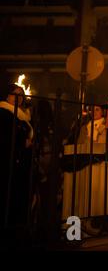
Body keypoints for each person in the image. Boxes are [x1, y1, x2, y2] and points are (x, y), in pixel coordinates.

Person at [0, 84, 33, 244]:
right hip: (9, 161)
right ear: (8, 96)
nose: (19, 97)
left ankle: (17, 231)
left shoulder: (23, 115)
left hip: (21, 162)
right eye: (15, 94)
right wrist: (22, 141)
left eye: (21, 95)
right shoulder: (4, 112)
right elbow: (7, 135)